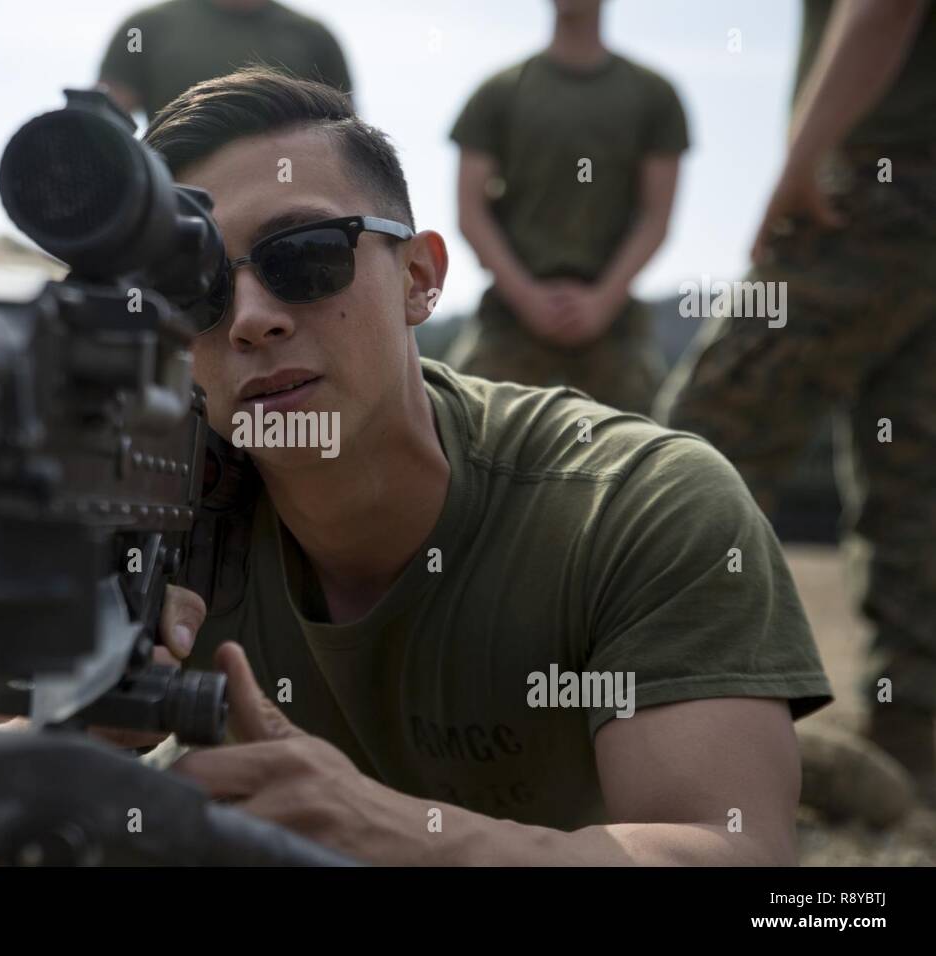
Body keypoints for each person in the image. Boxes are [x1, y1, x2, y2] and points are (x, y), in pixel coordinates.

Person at [51, 66, 834, 866]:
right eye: (199, 288)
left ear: (418, 279)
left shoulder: (636, 504)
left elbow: (731, 854)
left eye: (307, 256)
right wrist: (64, 738)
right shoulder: (145, 505)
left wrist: (388, 833)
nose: (252, 320)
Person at [657, 0, 936, 805]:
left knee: (693, 450)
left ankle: (660, 718)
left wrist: (799, 162)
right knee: (912, 479)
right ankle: (909, 746)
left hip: (873, 190)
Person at [444, 0, 687, 417]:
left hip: (612, 319)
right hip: (511, 313)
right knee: (455, 429)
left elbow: (656, 218)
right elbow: (471, 213)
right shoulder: (499, 92)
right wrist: (527, 297)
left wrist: (601, 301)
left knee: (651, 457)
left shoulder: (654, 95)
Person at [96, 0, 352, 121]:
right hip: (177, 194)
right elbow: (104, 120)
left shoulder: (313, 37)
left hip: (284, 195)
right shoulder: (145, 28)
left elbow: (346, 134)